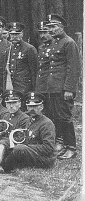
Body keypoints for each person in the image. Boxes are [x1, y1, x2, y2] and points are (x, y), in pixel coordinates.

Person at [0, 92, 56, 173]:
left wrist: (26, 146)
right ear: (26, 107)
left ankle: (2, 167)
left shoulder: (46, 123)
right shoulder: (29, 120)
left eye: (35, 106)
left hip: (44, 159)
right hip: (30, 153)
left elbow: (49, 148)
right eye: (30, 106)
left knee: (19, 148)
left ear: (41, 107)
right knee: (7, 144)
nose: (32, 109)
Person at [44, 14, 80, 160]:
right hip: (53, 87)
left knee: (65, 117)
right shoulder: (54, 43)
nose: (51, 30)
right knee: (55, 116)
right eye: (49, 27)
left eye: (54, 27)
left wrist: (69, 89)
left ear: (62, 27)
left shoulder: (69, 43)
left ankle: (71, 147)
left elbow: (74, 68)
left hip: (63, 89)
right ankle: (61, 143)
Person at [6, 22, 38, 95]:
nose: (14, 36)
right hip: (12, 85)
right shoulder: (9, 50)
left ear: (22, 34)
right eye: (12, 34)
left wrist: (34, 88)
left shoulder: (29, 48)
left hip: (25, 86)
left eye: (17, 34)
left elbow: (34, 70)